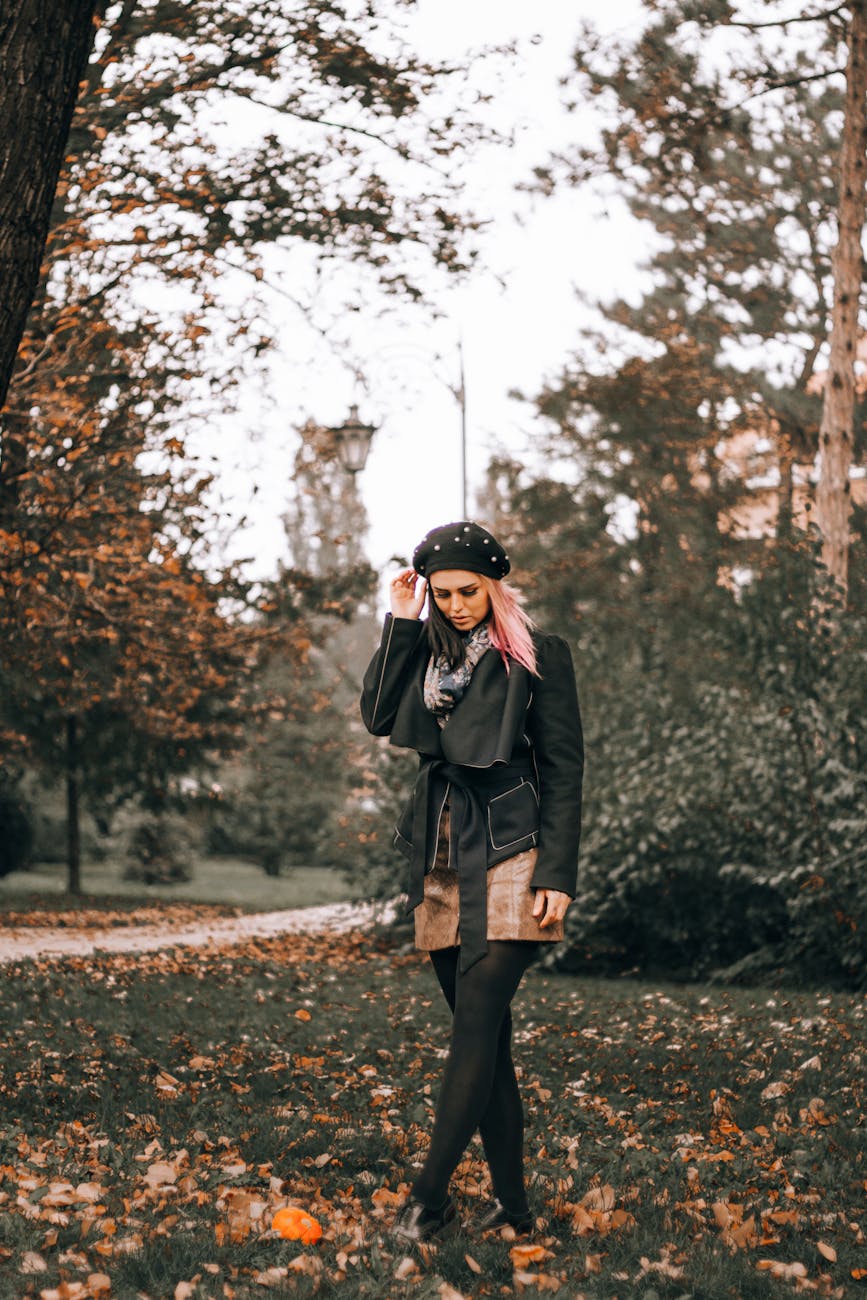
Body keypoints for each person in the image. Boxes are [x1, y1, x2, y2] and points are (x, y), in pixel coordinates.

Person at [360, 520, 584, 1244]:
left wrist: (558, 870)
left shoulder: (538, 656)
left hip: (517, 848)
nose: (455, 604)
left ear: (493, 585)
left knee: (474, 1027)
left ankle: (429, 1201)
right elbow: (374, 716)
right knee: (488, 1042)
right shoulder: (425, 647)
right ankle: (514, 1211)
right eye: (441, 593)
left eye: (467, 590)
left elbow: (564, 768)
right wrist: (399, 620)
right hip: (444, 851)